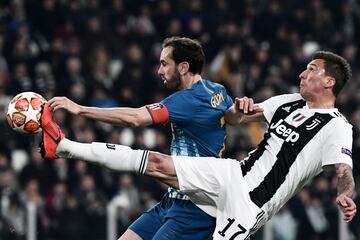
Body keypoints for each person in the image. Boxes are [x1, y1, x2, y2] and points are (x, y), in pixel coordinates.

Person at [40, 50, 357, 240]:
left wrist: (345, 192)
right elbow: (236, 120)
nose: (302, 74)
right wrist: (240, 109)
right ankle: (64, 146)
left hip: (250, 204)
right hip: (233, 174)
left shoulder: (337, 126)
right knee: (156, 162)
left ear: (329, 82)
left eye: (312, 70)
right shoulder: (289, 101)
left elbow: (343, 169)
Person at [43, 37, 245, 240]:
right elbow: (231, 117)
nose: (159, 70)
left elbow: (135, 119)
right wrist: (240, 109)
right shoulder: (215, 90)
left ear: (183, 67)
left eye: (164, 63)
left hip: (195, 207)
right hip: (175, 198)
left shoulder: (187, 100)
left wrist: (80, 109)